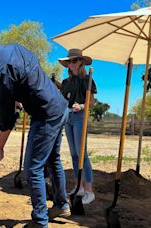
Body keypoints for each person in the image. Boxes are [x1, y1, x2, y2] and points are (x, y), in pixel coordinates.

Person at [0, 31, 70, 228]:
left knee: (33, 168)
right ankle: (61, 204)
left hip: (45, 114)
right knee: (53, 159)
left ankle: (40, 222)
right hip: (60, 106)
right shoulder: (15, 48)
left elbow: (6, 117)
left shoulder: (2, 71)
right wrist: (22, 98)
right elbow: (29, 75)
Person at [58, 49, 97, 205]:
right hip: (69, 117)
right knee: (74, 154)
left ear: (81, 62)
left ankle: (89, 190)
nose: (71, 64)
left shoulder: (87, 79)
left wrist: (81, 106)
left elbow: (92, 101)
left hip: (81, 116)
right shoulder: (66, 83)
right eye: (69, 61)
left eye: (74, 61)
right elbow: (62, 100)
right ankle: (78, 186)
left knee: (82, 154)